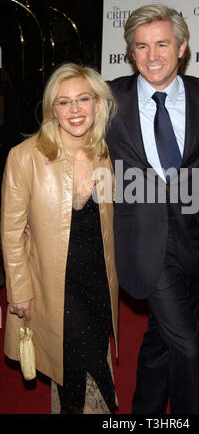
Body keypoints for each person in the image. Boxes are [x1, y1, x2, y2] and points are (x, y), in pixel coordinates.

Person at [106, 4, 199, 414]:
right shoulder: (109, 99)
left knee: (161, 340)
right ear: (131, 52)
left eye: (162, 43)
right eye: (141, 46)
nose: (152, 55)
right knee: (187, 347)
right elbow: (65, 141)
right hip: (143, 243)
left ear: (181, 47)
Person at [1, 63, 119, 414]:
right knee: (78, 369)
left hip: (98, 280)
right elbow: (10, 231)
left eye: (83, 99)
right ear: (52, 108)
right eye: (64, 102)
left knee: (89, 360)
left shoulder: (105, 152)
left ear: (98, 103)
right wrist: (19, 290)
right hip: (54, 285)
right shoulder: (25, 157)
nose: (75, 110)